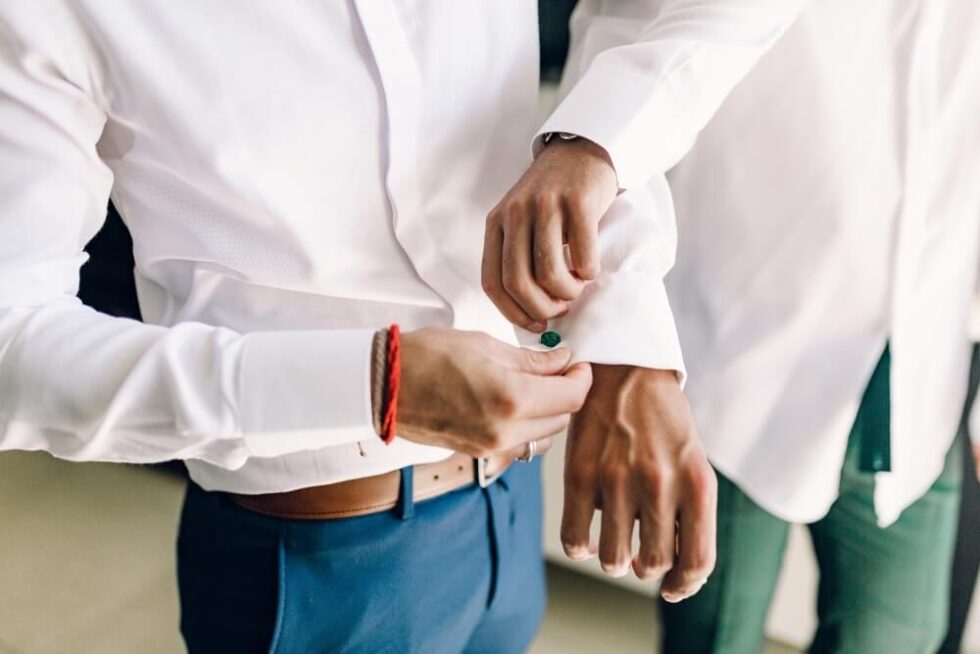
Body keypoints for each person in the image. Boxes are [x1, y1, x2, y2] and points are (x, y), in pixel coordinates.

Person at [0, 1, 807, 650]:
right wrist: (376, 384)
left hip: (511, 502)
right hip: (323, 567)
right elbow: (12, 345)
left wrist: (609, 232)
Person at [487, 1, 980, 652]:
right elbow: (624, 42)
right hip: (734, 370)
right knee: (711, 636)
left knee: (898, 637)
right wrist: (622, 335)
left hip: (921, 384)